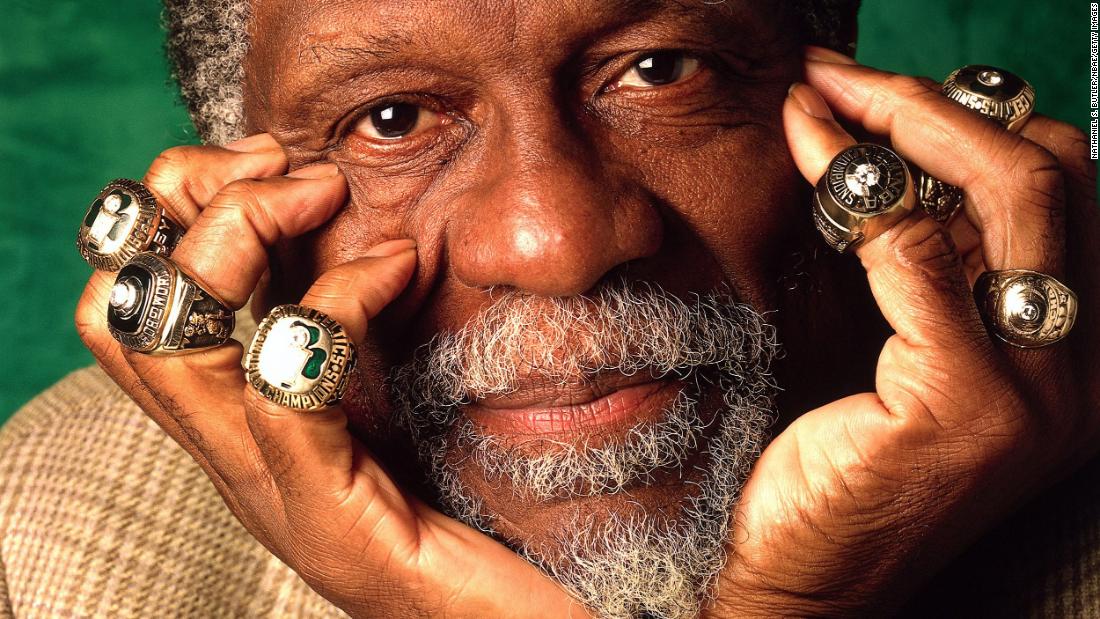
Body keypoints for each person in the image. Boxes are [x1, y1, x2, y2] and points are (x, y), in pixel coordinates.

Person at [1, 0, 1096, 617]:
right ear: (241, 206)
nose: (556, 244)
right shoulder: (42, 538)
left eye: (660, 70)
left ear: (846, 100)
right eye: (390, 118)